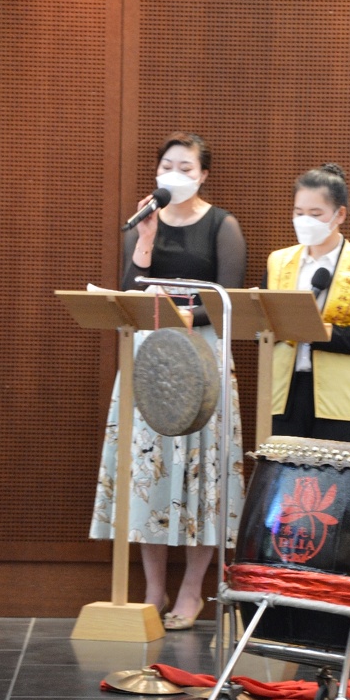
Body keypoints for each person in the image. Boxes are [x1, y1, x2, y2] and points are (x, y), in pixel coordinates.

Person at [90, 131, 246, 629]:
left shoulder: (222, 225)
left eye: (185, 168)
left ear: (203, 175)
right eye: (167, 167)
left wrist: (181, 313)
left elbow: (227, 301)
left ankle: (192, 591)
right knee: (148, 474)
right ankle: (153, 590)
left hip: (203, 356)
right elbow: (129, 290)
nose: (174, 175)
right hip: (151, 357)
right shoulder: (144, 221)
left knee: (205, 475)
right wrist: (146, 239)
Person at [264, 162, 350, 444]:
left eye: (315, 214)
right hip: (284, 394)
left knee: (333, 473)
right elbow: (262, 329)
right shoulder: (278, 262)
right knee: (282, 471)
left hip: (339, 398)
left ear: (339, 214)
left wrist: (324, 334)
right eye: (298, 213)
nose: (304, 221)